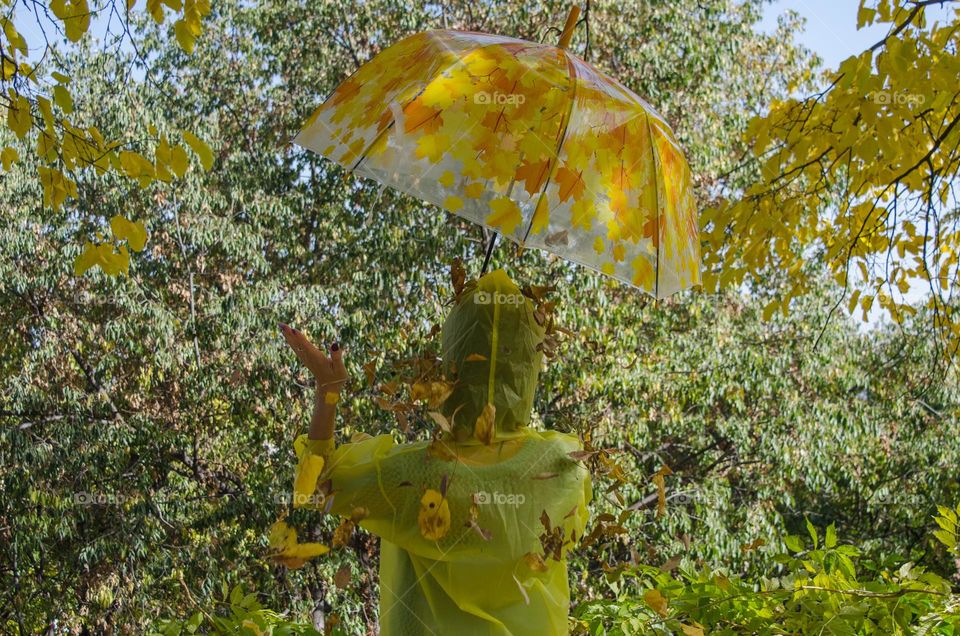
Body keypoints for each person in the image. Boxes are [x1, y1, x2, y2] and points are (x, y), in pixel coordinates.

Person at [280, 269, 592, 635]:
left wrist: (329, 390)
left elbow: (315, 485)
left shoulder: (413, 472)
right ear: (530, 364)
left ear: (450, 363)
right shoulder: (566, 466)